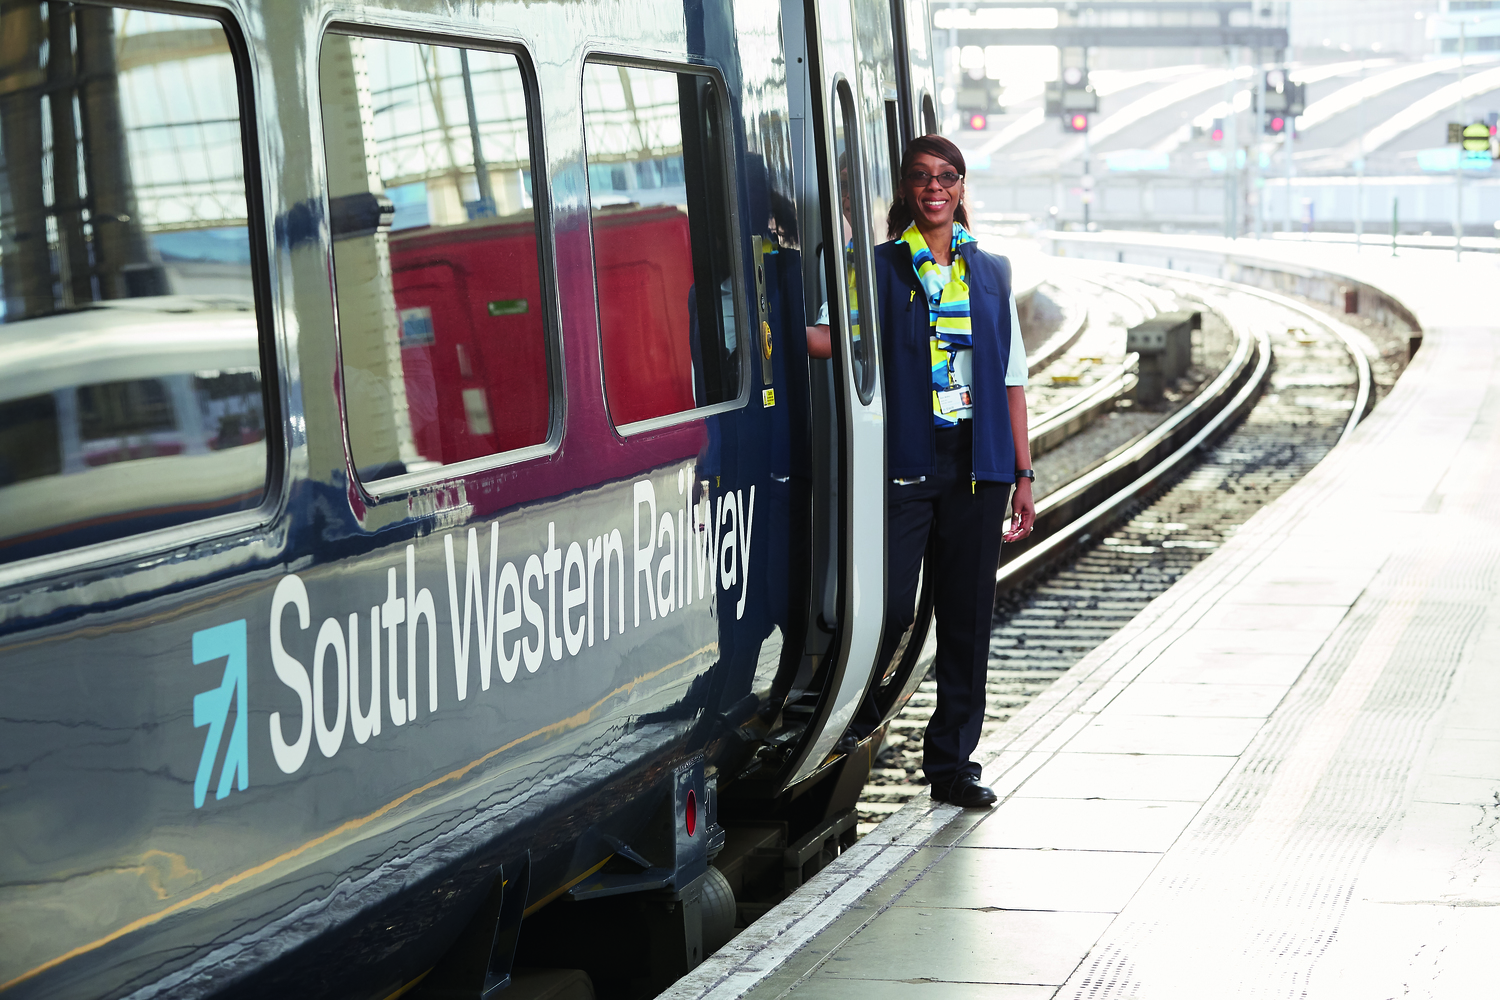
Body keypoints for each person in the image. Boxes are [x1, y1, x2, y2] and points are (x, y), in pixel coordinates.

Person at [809, 134, 1034, 808]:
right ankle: (847, 725)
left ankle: (952, 764)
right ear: (906, 189)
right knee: (892, 607)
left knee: (966, 617)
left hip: (979, 464)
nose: (934, 188)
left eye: (947, 176)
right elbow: (828, 336)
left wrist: (1023, 474)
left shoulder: (992, 271)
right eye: (920, 177)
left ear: (962, 187)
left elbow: (1011, 377)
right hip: (908, 461)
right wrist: (773, 330)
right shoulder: (877, 268)